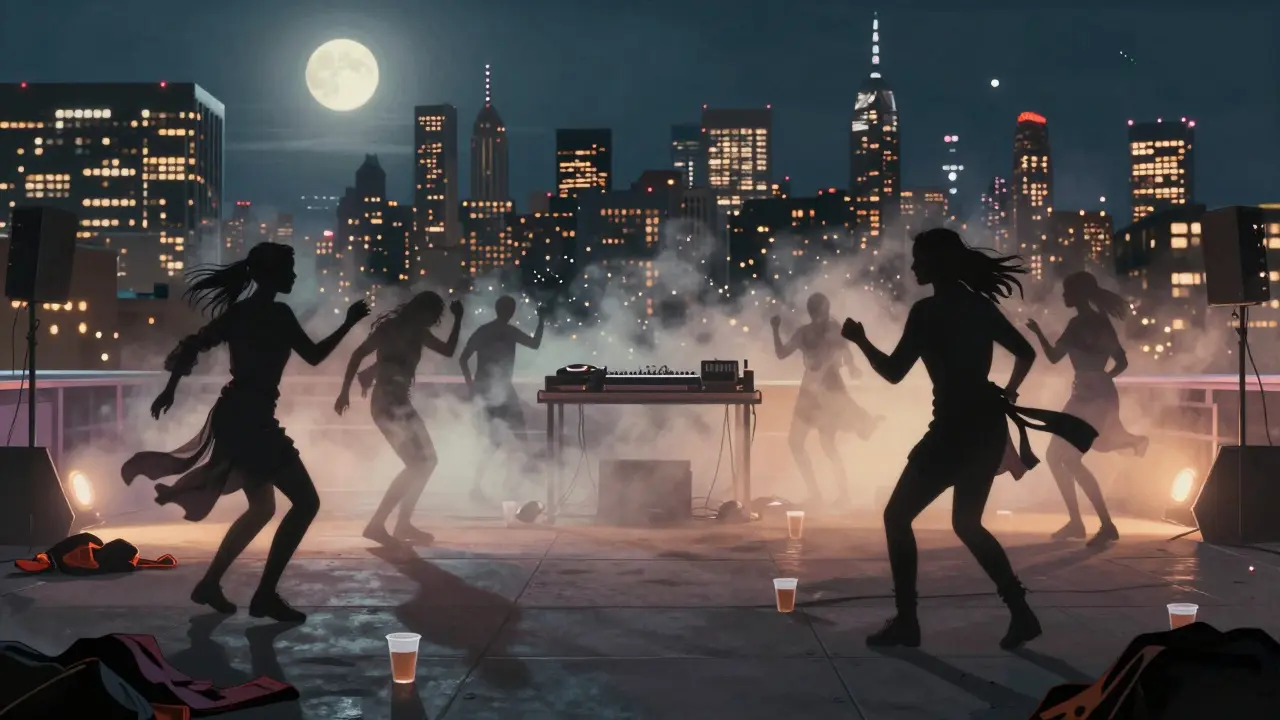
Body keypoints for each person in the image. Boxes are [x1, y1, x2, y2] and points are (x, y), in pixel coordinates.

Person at [841, 228, 1097, 650]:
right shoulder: (979, 307)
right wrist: (1009, 391)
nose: (912, 266)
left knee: (896, 517)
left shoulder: (927, 312)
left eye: (919, 259)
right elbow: (1027, 353)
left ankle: (908, 622)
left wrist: (860, 340)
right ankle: (1021, 612)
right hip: (987, 426)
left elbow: (891, 372)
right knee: (967, 523)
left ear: (936, 264)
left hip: (953, 430)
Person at [122, 242, 370, 622]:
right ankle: (264, 595)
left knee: (262, 508)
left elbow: (194, 344)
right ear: (268, 274)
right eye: (288, 269)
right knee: (306, 503)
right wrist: (349, 322)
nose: (293, 275)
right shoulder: (278, 314)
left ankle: (211, 584)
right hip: (252, 422)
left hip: (238, 415)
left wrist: (171, 388)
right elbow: (316, 356)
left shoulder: (240, 314)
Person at [1026, 271, 1149, 546]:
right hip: (1095, 394)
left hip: (1087, 397)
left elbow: (1053, 358)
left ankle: (1103, 524)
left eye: (1067, 292)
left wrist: (1037, 334)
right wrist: (1103, 379)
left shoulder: (1076, 324)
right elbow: (1122, 363)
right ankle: (1079, 522)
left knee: (1065, 459)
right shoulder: (1102, 323)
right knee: (1055, 456)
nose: (1063, 296)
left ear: (1078, 295)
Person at [335, 291, 464, 546]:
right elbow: (358, 354)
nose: (434, 321)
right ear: (421, 311)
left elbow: (448, 351)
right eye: (433, 316)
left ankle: (402, 523)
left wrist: (458, 319)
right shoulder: (391, 328)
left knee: (427, 462)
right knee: (419, 464)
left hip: (399, 402)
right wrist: (343, 392)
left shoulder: (418, 331)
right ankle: (376, 525)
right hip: (387, 404)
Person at [771, 293, 881, 508]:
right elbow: (782, 353)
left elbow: (844, 349)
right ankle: (817, 495)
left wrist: (851, 366)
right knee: (796, 442)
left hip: (829, 392)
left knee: (827, 444)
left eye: (827, 309)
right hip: (810, 394)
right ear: (815, 312)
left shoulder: (832, 329)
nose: (827, 313)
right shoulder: (804, 333)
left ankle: (843, 494)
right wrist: (775, 330)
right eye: (823, 310)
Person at [459, 296, 545, 504]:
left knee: (498, 440)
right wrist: (541, 320)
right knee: (512, 435)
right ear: (511, 311)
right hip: (498, 389)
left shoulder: (485, 330)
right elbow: (534, 344)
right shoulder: (508, 331)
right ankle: (515, 479)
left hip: (492, 388)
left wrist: (472, 386)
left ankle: (491, 485)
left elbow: (463, 359)